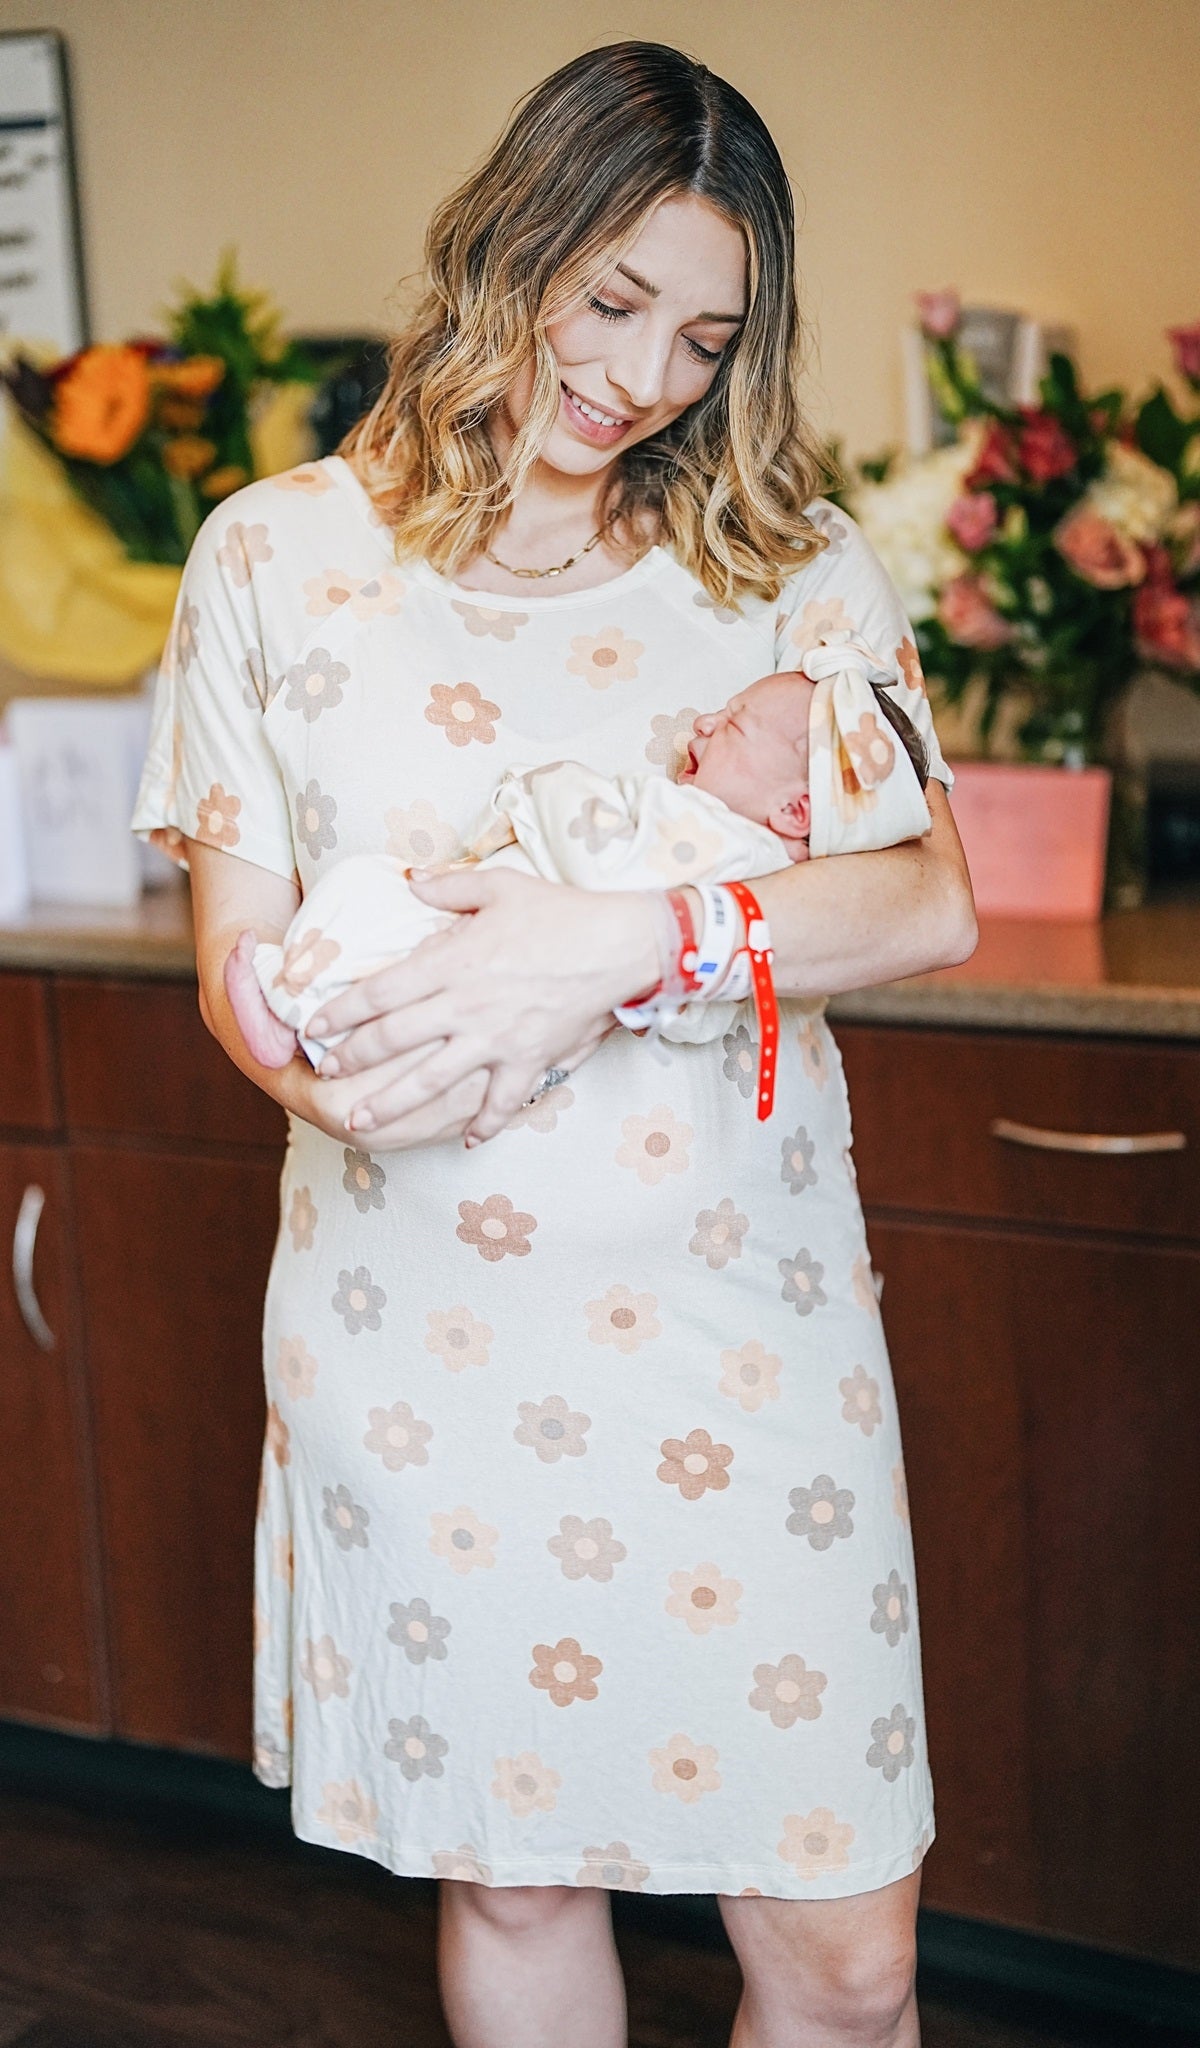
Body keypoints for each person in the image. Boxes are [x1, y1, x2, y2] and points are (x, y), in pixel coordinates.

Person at [133, 40, 976, 2048]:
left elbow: (925, 898)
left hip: (749, 1333)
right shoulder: (275, 559)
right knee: (518, 1875)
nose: (644, 375)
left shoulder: (787, 560)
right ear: (507, 243)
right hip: (423, 1336)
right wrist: (345, 1065)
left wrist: (615, 941)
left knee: (849, 1958)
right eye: (611, 301)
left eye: (706, 338)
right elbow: (239, 965)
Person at [225, 648, 934, 1072]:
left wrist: (546, 787)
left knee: (371, 889)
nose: (705, 722)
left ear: (796, 812)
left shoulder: (711, 832)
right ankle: (322, 1027)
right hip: (538, 1015)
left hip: (492, 930)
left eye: (735, 724)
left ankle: (292, 1002)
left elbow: (601, 865)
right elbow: (698, 1009)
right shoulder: (773, 895)